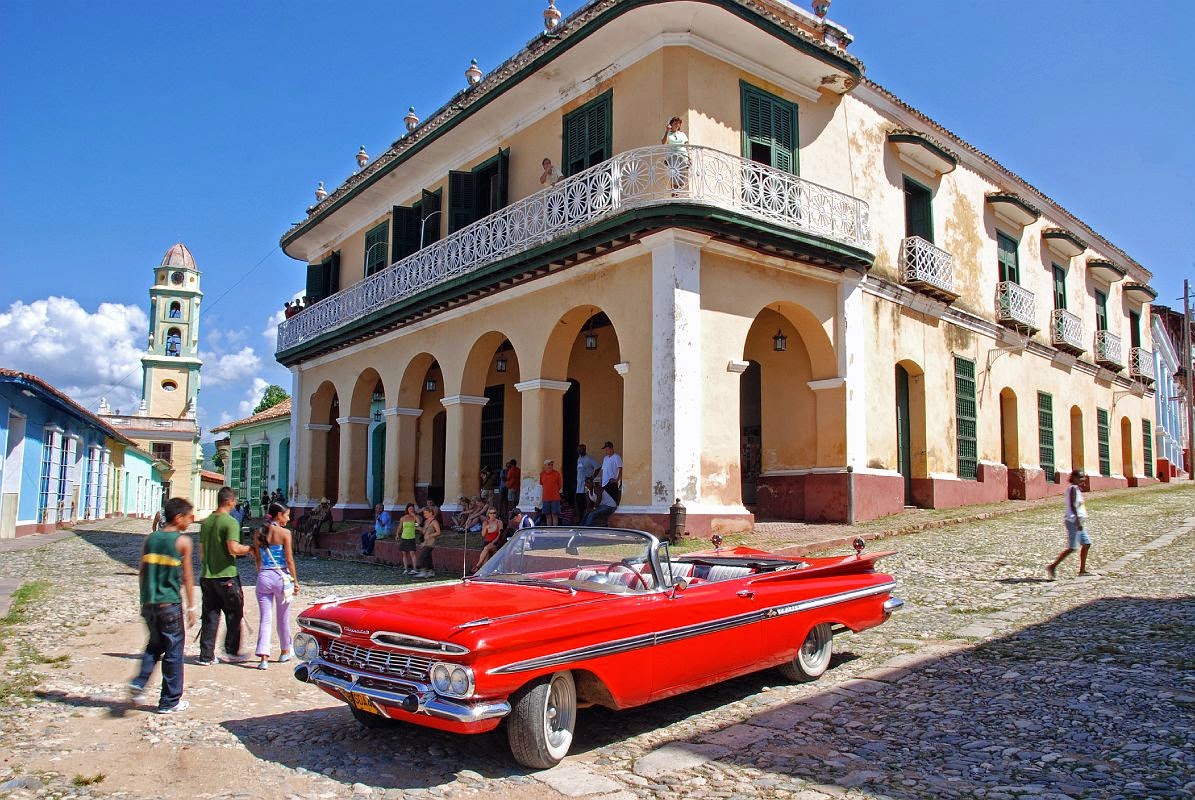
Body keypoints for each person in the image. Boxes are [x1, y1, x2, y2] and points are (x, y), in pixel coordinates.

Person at [130, 496, 197, 713]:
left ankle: (139, 682)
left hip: (149, 603)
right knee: (174, 652)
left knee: (154, 645)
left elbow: (142, 571)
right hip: (169, 604)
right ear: (178, 518)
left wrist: (144, 598)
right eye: (188, 517)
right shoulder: (183, 541)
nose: (191, 521)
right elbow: (187, 576)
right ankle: (170, 701)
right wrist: (191, 607)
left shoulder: (150, 539)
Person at [197, 487, 252, 665]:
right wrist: (251, 549)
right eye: (234, 501)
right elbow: (233, 548)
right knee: (234, 614)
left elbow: (201, 552)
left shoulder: (206, 523)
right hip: (227, 575)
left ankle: (206, 655)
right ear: (229, 501)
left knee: (210, 616)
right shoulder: (230, 522)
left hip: (207, 576)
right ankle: (231, 651)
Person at [251, 502, 299, 670]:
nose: (288, 518)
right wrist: (295, 581)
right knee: (283, 617)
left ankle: (263, 657)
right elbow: (289, 560)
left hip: (264, 576)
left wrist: (261, 573)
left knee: (265, 618)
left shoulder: (259, 532)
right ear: (279, 515)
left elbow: (257, 558)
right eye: (286, 515)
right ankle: (285, 650)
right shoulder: (285, 533)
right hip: (281, 577)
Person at [1048, 469, 1094, 580]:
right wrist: (1078, 521)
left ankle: (1082, 570)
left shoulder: (1077, 489)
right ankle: (1052, 566)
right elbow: (1073, 506)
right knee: (1072, 548)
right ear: (1073, 478)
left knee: (1086, 543)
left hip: (1078, 521)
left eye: (1083, 477)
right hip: (1073, 521)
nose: (1082, 480)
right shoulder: (1073, 489)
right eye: (1080, 477)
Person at [661, 116, 688, 191]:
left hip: (683, 155)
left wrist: (689, 158)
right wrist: (667, 131)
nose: (677, 125)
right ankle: (674, 194)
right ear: (671, 124)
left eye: (679, 124)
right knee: (674, 173)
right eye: (675, 123)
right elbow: (663, 142)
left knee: (682, 175)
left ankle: (677, 193)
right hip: (672, 155)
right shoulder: (668, 134)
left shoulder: (682, 134)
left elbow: (686, 146)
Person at [473, 507, 502, 572]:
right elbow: (483, 535)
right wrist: (485, 527)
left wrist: (493, 542)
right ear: (488, 514)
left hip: (495, 543)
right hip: (487, 542)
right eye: (491, 513)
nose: (492, 515)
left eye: (494, 513)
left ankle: (477, 566)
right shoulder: (485, 523)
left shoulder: (499, 522)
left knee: (486, 548)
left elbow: (499, 535)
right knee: (486, 555)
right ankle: (484, 572)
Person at [415, 505, 441, 578]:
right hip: (425, 541)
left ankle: (423, 571)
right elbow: (424, 531)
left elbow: (438, 532)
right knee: (428, 557)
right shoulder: (426, 521)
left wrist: (430, 535)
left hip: (431, 542)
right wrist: (419, 528)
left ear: (430, 513)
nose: (424, 515)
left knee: (422, 556)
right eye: (424, 513)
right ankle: (431, 571)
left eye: (426, 513)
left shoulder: (434, 522)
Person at [574, 444, 598, 522]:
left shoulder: (589, 459)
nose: (578, 451)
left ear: (584, 449)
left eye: (580, 450)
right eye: (578, 450)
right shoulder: (579, 459)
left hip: (585, 487)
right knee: (579, 504)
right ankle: (580, 519)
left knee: (586, 504)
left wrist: (592, 477)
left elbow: (597, 467)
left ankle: (585, 520)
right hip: (579, 487)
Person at [398, 502, 420, 575]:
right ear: (407, 509)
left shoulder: (414, 518)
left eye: (412, 509)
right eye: (410, 509)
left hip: (411, 537)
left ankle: (415, 568)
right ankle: (406, 569)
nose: (411, 510)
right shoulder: (403, 518)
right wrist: (397, 534)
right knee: (404, 554)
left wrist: (414, 516)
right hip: (404, 537)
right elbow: (400, 527)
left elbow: (418, 523)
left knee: (412, 553)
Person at [539, 459, 563, 526]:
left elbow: (560, 485)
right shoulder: (542, 474)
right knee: (547, 515)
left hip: (555, 497)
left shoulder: (556, 473)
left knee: (555, 515)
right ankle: (548, 529)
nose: (551, 466)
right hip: (545, 498)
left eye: (552, 464)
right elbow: (541, 485)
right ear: (545, 466)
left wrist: (554, 491)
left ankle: (555, 529)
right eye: (549, 464)